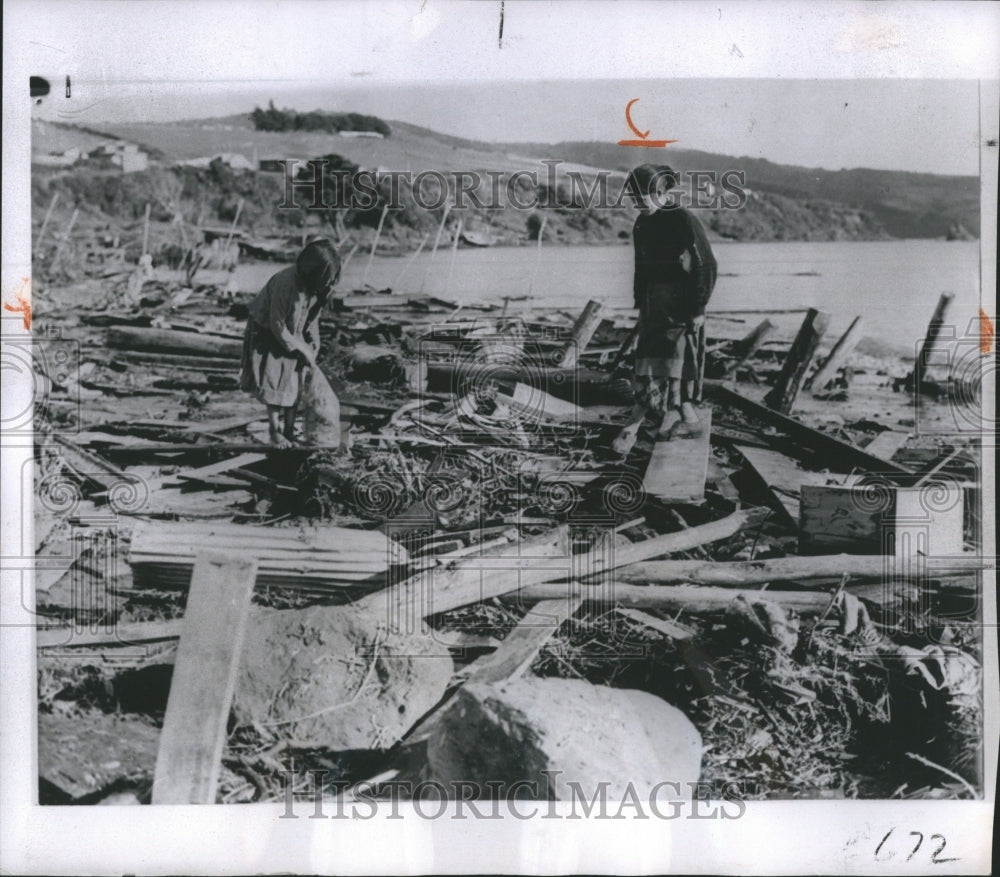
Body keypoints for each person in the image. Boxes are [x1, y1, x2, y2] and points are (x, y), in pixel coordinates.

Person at [628, 162, 717, 435]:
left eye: (641, 198)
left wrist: (698, 308)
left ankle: (630, 430)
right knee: (650, 365)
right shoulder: (642, 223)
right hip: (654, 306)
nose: (637, 204)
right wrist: (641, 303)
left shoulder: (682, 219)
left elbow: (705, 264)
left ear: (658, 192)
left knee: (673, 368)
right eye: (633, 199)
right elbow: (640, 266)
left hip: (680, 307)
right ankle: (689, 423)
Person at [239, 238, 340, 446]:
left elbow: (313, 319)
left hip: (295, 330)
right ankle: (275, 431)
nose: (329, 284)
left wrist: (312, 344)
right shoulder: (286, 284)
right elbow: (277, 325)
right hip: (268, 330)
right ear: (313, 272)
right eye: (327, 278)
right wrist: (299, 347)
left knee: (296, 379)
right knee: (274, 378)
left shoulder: (320, 289)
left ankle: (288, 430)